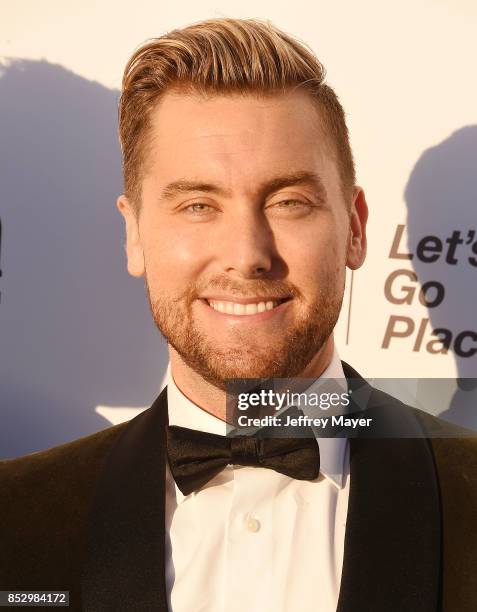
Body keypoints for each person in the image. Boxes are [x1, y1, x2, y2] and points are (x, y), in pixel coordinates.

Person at [1, 17, 476, 612]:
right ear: (135, 234)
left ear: (355, 229)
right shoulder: (13, 520)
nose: (248, 255)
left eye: (288, 202)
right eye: (198, 205)